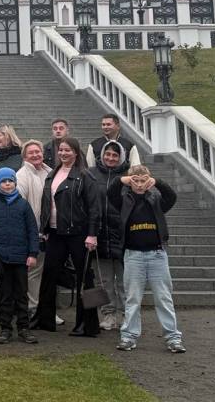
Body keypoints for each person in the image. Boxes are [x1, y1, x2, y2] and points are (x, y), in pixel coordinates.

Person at [109, 165, 185, 353]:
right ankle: (128, 336)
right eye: (135, 180)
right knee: (133, 298)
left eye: (143, 180)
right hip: (133, 255)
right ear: (130, 181)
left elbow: (171, 197)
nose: (140, 184)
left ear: (149, 181)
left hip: (157, 254)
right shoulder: (124, 200)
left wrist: (158, 182)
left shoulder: (156, 200)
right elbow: (110, 193)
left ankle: (173, 338)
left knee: (164, 297)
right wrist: (121, 180)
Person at [35, 137, 101, 337]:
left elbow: (94, 208)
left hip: (79, 234)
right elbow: (47, 203)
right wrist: (45, 228)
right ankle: (44, 319)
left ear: (76, 153)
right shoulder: (52, 174)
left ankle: (87, 324)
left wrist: (92, 235)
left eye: (68, 150)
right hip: (55, 232)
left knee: (85, 278)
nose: (63, 153)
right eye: (61, 150)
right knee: (49, 275)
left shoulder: (85, 176)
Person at [0, 167, 39, 344]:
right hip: (0, 257)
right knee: (5, 296)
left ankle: (24, 328)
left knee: (21, 295)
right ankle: (5, 328)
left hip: (20, 258)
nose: (7, 184)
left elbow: (32, 230)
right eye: (4, 181)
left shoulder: (23, 205)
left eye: (10, 181)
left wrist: (32, 253)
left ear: (15, 183)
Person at [86, 141, 129, 331]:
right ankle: (108, 314)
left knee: (125, 281)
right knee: (104, 280)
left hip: (122, 235)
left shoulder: (127, 175)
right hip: (100, 234)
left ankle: (127, 314)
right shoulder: (91, 174)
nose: (111, 158)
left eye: (115, 155)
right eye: (108, 154)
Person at [16, 139, 53, 322]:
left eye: (38, 151)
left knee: (49, 272)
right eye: (31, 152)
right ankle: (33, 308)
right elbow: (20, 207)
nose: (35, 155)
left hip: (52, 230)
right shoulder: (21, 175)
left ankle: (47, 309)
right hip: (34, 232)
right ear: (24, 156)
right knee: (34, 273)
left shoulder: (50, 172)